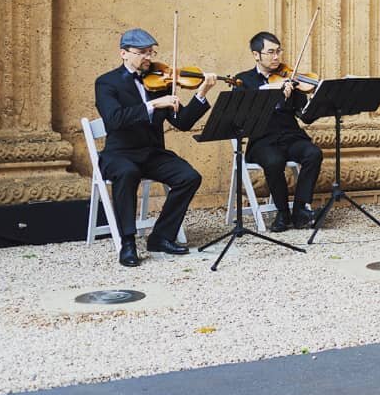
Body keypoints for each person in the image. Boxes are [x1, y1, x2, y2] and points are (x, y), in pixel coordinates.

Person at [94, 28, 217, 266]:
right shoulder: (106, 82)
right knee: (128, 173)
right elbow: (114, 119)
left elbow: (182, 122)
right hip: (120, 154)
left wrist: (202, 93)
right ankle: (127, 243)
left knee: (189, 177)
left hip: (152, 153)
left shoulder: (159, 81)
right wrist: (153, 105)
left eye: (151, 52)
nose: (148, 58)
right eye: (142, 52)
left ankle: (161, 236)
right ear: (124, 53)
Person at [233, 32, 323, 231]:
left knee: (313, 154)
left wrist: (311, 98)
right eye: (271, 52)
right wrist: (273, 93)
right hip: (262, 140)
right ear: (256, 55)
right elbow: (240, 118)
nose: (276, 57)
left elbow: (306, 117)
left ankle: (301, 210)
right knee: (274, 161)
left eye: (278, 51)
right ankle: (283, 213)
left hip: (291, 136)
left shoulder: (290, 78)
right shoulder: (243, 81)